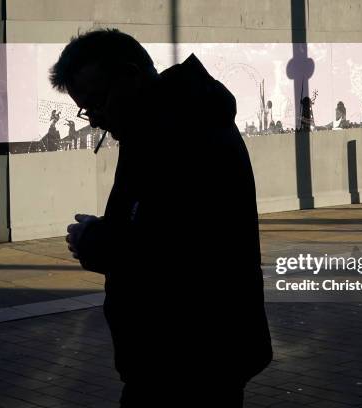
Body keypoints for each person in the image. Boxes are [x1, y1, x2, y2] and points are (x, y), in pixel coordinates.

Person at [51, 29, 273, 407]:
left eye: (98, 102)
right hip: (188, 358)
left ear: (132, 75)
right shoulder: (169, 123)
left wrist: (93, 240)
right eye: (87, 110)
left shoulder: (177, 134)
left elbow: (167, 250)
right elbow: (157, 225)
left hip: (186, 362)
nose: (96, 120)